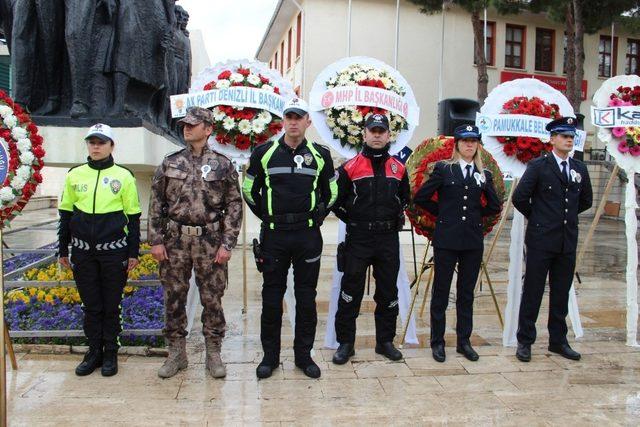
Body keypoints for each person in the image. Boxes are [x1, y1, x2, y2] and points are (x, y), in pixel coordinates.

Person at [242, 98, 338, 379]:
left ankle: (303, 356)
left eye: (299, 117)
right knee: (272, 298)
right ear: (282, 121)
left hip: (308, 235)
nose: (293, 122)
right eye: (289, 117)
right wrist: (267, 215)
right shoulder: (264, 151)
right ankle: (270, 357)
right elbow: (249, 189)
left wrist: (319, 214)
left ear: (308, 121)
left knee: (306, 298)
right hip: (274, 236)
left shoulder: (320, 154)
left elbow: (331, 191)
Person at [148, 107, 242, 379]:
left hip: (210, 241)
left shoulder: (222, 164)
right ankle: (176, 353)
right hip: (175, 241)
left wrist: (228, 243)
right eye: (185, 125)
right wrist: (155, 239)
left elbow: (234, 205)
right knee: (173, 297)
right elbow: (156, 203)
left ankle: (213, 352)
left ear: (208, 129)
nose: (187, 128)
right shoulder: (170, 162)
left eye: (193, 124)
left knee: (212, 298)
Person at [58, 123, 142, 377]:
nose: (96, 146)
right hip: (83, 253)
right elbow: (65, 214)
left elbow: (133, 218)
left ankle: (110, 353)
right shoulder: (75, 174)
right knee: (91, 305)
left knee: (111, 305)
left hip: (113, 253)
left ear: (111, 146)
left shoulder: (124, 176)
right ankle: (93, 351)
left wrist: (133, 253)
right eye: (92, 142)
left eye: (101, 142)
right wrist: (63, 250)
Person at [414, 125, 502, 363]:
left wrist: (478, 209)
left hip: (472, 240)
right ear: (457, 145)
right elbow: (421, 197)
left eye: (474, 141)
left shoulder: (483, 174)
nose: (469, 145)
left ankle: (464, 341)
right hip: (447, 239)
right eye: (465, 141)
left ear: (478, 146)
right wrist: (443, 214)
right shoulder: (445, 169)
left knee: (466, 293)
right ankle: (437, 342)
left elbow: (494, 206)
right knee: (441, 292)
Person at [513, 117, 593, 362]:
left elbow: (586, 200)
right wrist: (540, 219)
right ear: (552, 139)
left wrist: (562, 219)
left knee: (561, 293)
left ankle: (558, 341)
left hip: (566, 241)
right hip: (541, 240)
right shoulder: (539, 165)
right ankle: (525, 341)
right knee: (533, 292)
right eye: (563, 135)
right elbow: (519, 198)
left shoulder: (579, 168)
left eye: (572, 136)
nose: (569, 139)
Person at [331, 114, 409, 365]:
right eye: (372, 131)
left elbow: (405, 198)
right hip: (359, 238)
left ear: (388, 135)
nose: (377, 135)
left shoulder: (399, 168)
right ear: (364, 134)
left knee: (388, 291)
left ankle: (385, 341)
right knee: (350, 291)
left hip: (387, 239)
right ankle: (346, 343)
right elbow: (336, 202)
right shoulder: (349, 167)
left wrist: (394, 217)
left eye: (381, 131)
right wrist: (353, 219)